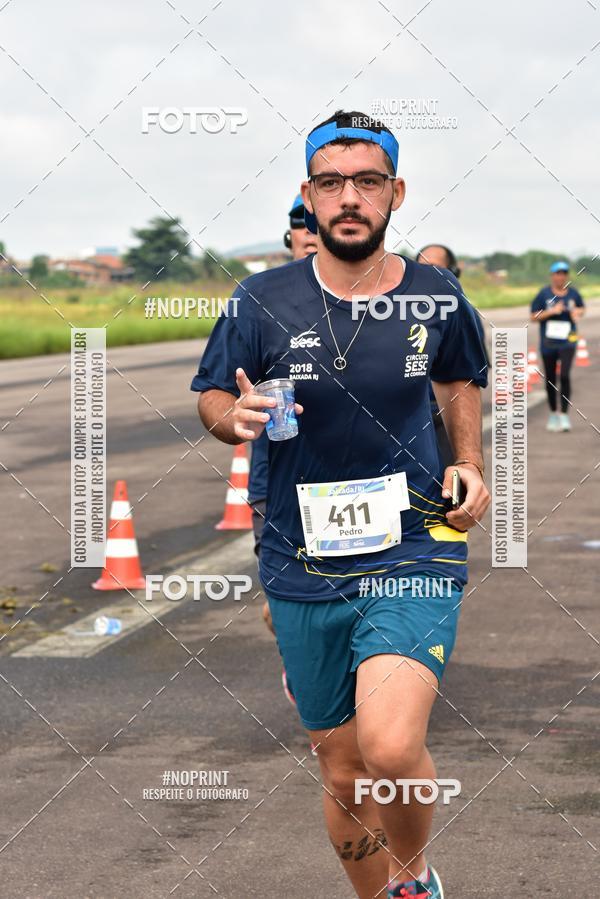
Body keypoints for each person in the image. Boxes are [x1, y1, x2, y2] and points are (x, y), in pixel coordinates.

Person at [192, 109, 490, 899]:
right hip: (301, 557)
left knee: (389, 747)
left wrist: (468, 461)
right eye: (331, 183)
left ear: (396, 191)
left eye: (366, 181)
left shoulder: (437, 295)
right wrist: (233, 417)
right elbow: (213, 397)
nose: (348, 197)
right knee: (345, 767)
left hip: (413, 544)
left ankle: (412, 879)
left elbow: (460, 377)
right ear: (309, 195)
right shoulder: (259, 299)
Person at [416, 245, 490, 470]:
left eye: (435, 269)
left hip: (441, 417)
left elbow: (469, 371)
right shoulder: (396, 311)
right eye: (421, 268)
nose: (427, 275)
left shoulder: (458, 312)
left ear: (453, 273)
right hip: (408, 419)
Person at [530, 260, 585, 432]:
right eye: (558, 273)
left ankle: (564, 414)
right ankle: (553, 413)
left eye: (564, 274)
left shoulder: (573, 294)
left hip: (568, 341)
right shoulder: (544, 294)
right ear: (552, 276)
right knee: (551, 379)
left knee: (565, 375)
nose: (561, 277)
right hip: (549, 343)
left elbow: (581, 309)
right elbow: (533, 316)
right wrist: (551, 312)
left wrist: (577, 312)